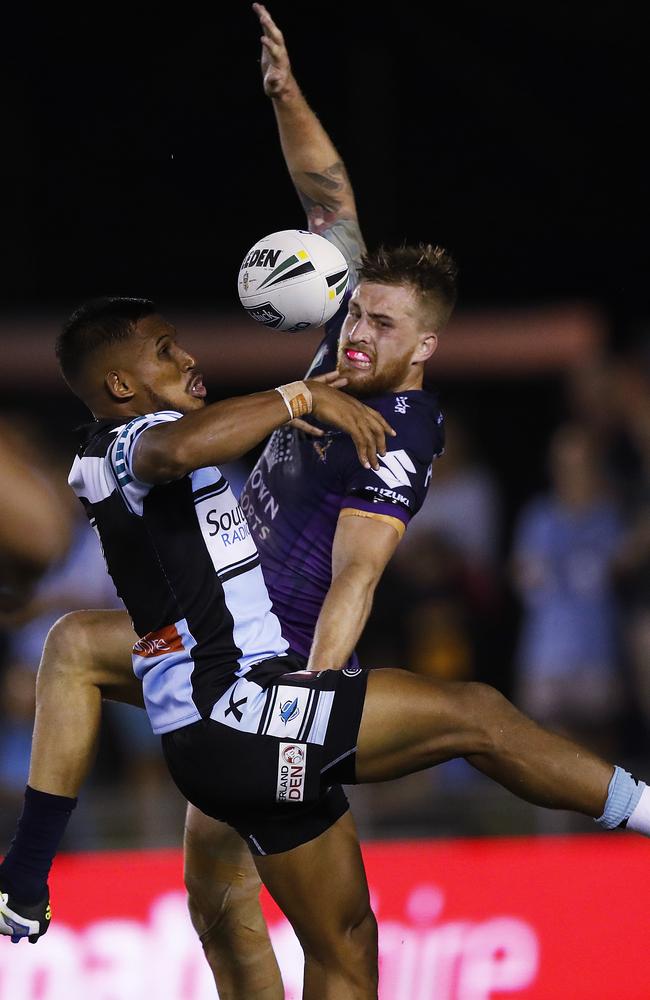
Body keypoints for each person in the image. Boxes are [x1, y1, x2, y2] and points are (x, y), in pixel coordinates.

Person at [3, 10, 650, 1000]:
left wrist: (303, 699)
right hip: (218, 653)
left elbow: (356, 569)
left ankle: (633, 806)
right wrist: (285, 95)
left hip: (278, 666)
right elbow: (327, 198)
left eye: (378, 321)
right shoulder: (327, 361)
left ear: (421, 348)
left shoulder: (396, 427)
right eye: (351, 311)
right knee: (205, 863)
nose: (354, 328)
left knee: (307, 910)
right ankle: (27, 868)